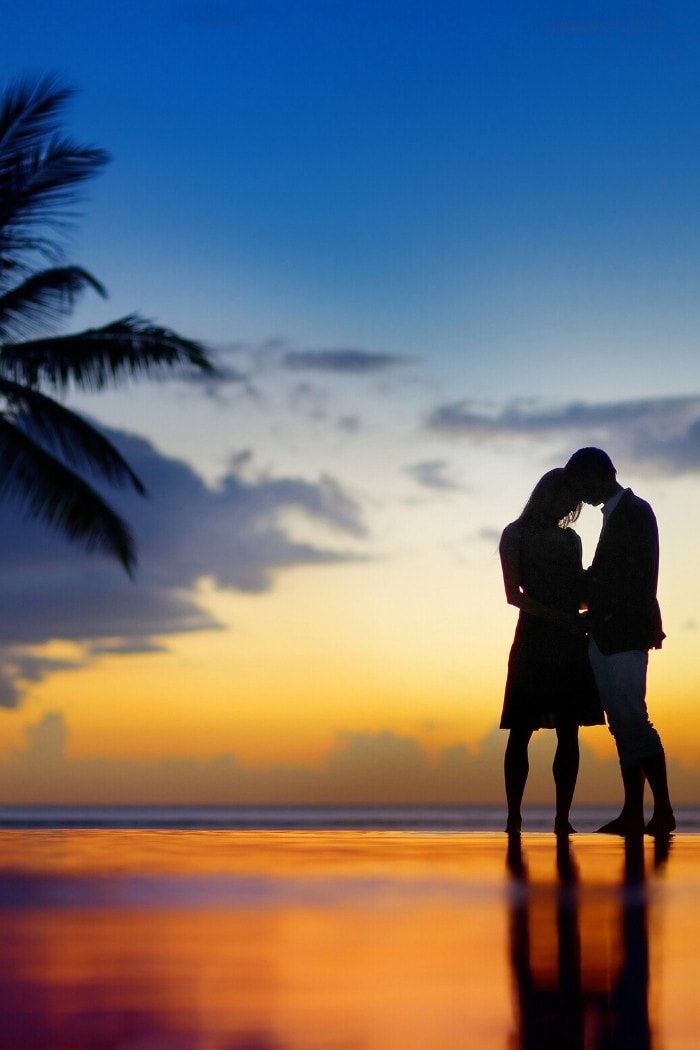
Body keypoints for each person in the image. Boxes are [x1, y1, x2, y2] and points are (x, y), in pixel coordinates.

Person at [564, 447, 675, 836]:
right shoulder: (620, 513)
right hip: (612, 631)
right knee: (622, 722)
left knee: (632, 718)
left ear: (596, 476)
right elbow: (609, 575)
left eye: (580, 482)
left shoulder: (633, 511)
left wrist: (595, 610)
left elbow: (635, 578)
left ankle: (660, 811)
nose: (579, 492)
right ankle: (634, 811)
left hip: (624, 631)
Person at [499, 468, 604, 835]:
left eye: (573, 500)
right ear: (547, 495)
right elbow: (514, 594)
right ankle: (514, 818)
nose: (570, 505)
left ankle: (563, 818)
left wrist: (600, 592)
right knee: (521, 729)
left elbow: (578, 591)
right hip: (535, 638)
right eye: (565, 497)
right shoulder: (515, 535)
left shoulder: (571, 540)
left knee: (569, 731)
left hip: (570, 639)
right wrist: (561, 616)